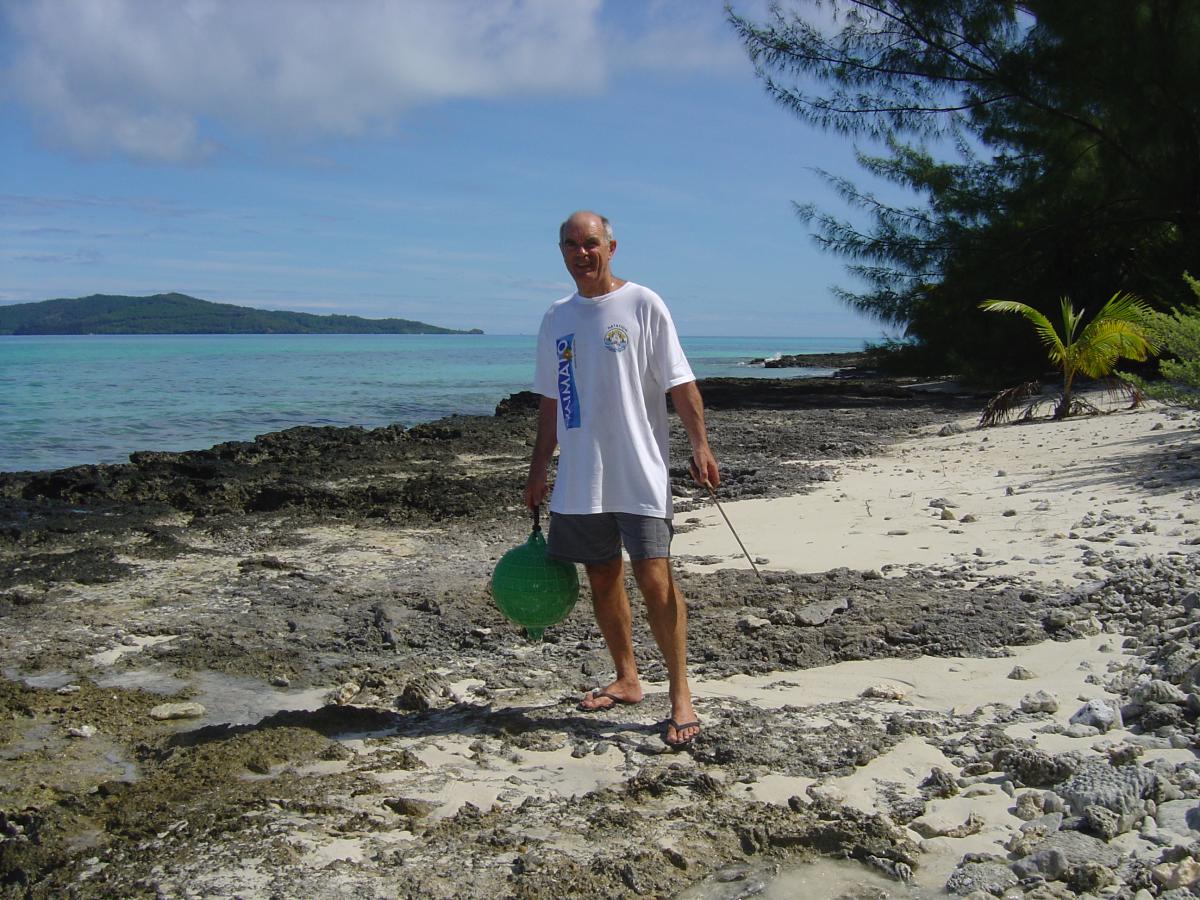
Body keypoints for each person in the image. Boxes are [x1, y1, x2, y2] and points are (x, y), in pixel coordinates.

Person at [523, 210, 719, 748]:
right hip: (581, 477)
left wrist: (700, 445)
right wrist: (539, 469)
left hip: (640, 472)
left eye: (590, 243)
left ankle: (680, 695)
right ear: (561, 252)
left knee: (655, 579)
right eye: (570, 244)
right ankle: (628, 678)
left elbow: (680, 383)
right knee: (602, 578)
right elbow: (550, 404)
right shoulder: (556, 317)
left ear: (611, 247)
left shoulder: (643, 303)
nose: (581, 253)